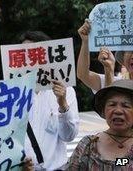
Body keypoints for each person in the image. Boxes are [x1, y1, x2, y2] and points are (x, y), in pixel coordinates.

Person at [20, 31, 79, 170]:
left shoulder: (65, 90)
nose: (28, 60)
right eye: (24, 54)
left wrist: (62, 104)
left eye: (33, 54)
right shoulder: (14, 93)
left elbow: (68, 136)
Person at [66, 79, 133, 170]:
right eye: (112, 104)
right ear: (104, 110)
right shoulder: (88, 145)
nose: (118, 111)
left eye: (126, 106)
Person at [77, 19, 133, 92]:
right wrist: (85, 41)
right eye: (129, 51)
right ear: (123, 58)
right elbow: (83, 74)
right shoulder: (117, 82)